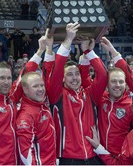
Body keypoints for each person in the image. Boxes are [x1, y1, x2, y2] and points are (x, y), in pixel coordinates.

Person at [46, 22, 107, 164]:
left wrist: (87, 51)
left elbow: (103, 74)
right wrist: (68, 40)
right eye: (70, 75)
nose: (74, 78)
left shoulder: (90, 94)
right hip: (68, 158)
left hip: (92, 155)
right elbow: (58, 67)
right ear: (62, 78)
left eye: (77, 74)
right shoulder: (57, 95)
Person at [16, 31, 57, 165]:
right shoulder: (26, 115)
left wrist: (48, 49)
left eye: (41, 85)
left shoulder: (41, 104)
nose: (41, 89)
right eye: (36, 86)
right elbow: (25, 151)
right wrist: (40, 51)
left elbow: (48, 72)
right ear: (25, 90)